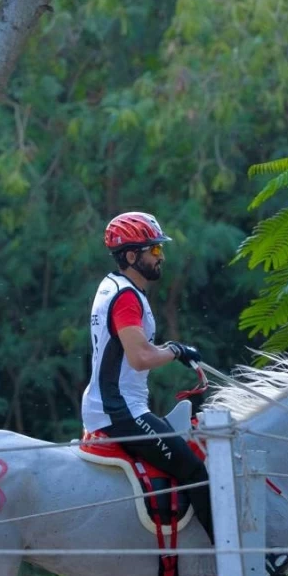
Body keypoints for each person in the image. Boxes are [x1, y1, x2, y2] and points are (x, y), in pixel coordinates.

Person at [81, 211, 214, 542]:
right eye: (154, 250)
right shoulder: (126, 297)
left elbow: (136, 350)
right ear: (131, 256)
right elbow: (140, 358)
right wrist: (176, 351)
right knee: (195, 471)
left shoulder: (115, 286)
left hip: (113, 406)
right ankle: (228, 558)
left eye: (160, 248)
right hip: (120, 412)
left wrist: (173, 350)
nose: (161, 256)